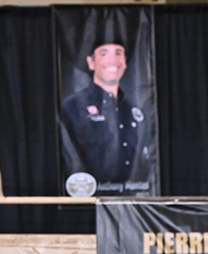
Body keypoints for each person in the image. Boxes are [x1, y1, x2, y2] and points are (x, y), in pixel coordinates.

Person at [60, 31, 152, 193]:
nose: (113, 60)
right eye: (104, 53)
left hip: (132, 206)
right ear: (91, 62)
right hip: (88, 202)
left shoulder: (135, 111)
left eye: (119, 53)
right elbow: (69, 160)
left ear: (125, 62)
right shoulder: (73, 107)